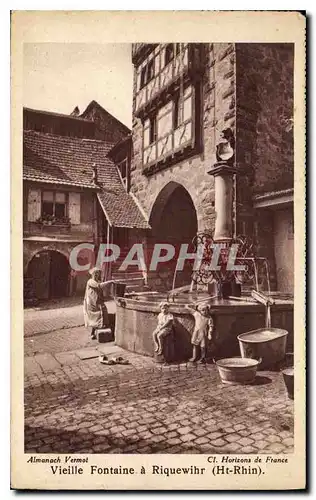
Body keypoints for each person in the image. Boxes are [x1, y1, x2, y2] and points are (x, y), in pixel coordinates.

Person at [83, 267, 114, 339]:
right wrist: (110, 282)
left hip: (97, 302)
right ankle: (93, 333)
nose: (98, 275)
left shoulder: (97, 281)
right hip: (92, 303)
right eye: (96, 274)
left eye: (99, 274)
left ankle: (99, 331)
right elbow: (99, 286)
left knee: (100, 315)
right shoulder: (90, 281)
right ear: (93, 274)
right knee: (94, 317)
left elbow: (100, 289)